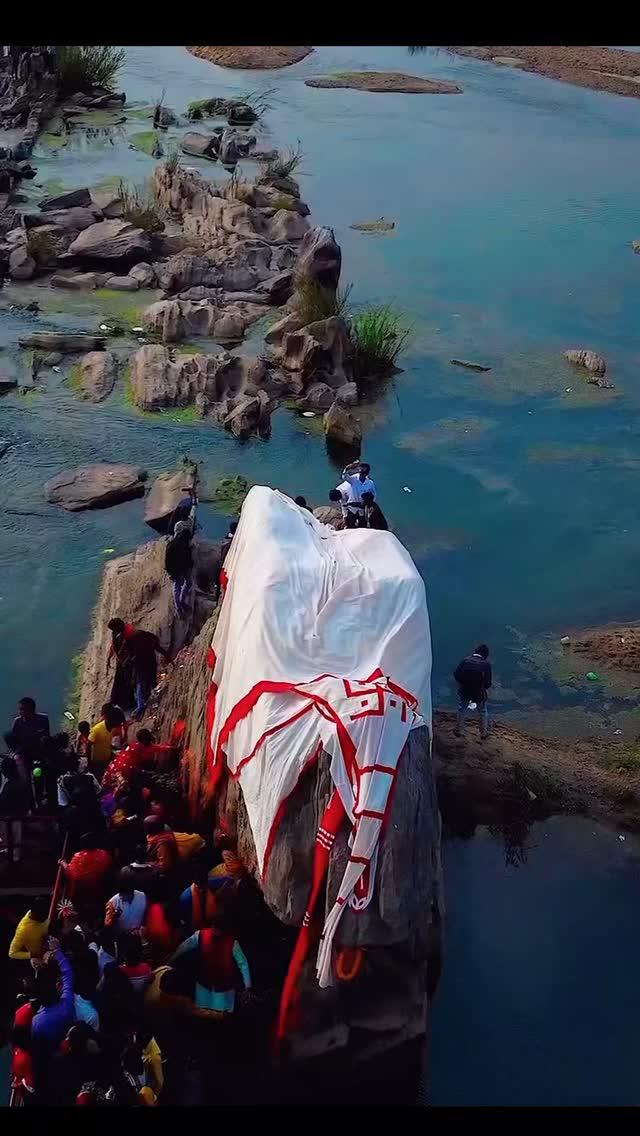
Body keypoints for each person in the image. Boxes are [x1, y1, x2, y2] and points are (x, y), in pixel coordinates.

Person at [170, 920, 251, 1013]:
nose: (215, 931)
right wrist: (170, 961)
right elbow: (183, 948)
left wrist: (247, 986)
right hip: (205, 985)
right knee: (203, 1015)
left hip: (224, 989)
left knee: (218, 1017)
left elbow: (243, 964)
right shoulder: (201, 935)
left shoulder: (232, 942)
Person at [31, 944, 75, 1057]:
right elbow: (68, 974)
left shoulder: (37, 1021)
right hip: (69, 1046)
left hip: (49, 1054)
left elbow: (37, 1045)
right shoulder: (67, 1003)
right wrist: (58, 951)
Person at [101, 729, 172, 795]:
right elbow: (157, 748)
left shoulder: (134, 745)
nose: (151, 740)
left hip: (114, 770)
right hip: (123, 773)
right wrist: (170, 748)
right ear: (145, 740)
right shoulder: (141, 748)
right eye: (149, 738)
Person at [58, 832, 112, 911]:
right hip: (99, 892)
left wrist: (63, 863)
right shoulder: (104, 854)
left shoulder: (78, 857)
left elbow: (69, 873)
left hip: (79, 895)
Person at [127, 629, 171, 718]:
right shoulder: (149, 640)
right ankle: (150, 700)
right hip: (151, 665)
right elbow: (160, 649)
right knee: (150, 683)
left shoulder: (133, 643)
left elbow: (131, 658)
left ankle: (141, 707)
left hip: (141, 667)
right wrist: (168, 657)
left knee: (140, 685)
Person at [453, 644, 492, 740]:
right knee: (482, 711)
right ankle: (483, 733)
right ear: (485, 654)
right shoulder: (486, 664)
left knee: (462, 708)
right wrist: (484, 687)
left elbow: (456, 674)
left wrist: (463, 683)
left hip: (465, 689)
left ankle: (458, 730)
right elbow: (488, 682)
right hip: (479, 691)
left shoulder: (465, 660)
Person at [0, 755, 31, 862]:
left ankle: (12, 853)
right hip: (15, 813)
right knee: (15, 834)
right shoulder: (20, 781)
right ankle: (14, 854)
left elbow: (4, 800)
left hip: (10, 814)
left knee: (12, 834)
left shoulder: (11, 784)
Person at [10, 697, 50, 771]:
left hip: (40, 750)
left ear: (31, 710)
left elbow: (47, 735)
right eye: (19, 709)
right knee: (17, 759)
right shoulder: (17, 722)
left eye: (22, 709)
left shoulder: (43, 719)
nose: (19, 712)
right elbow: (13, 739)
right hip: (23, 751)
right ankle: (24, 781)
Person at [87, 703, 125, 779]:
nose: (119, 725)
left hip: (107, 755)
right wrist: (89, 763)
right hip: (97, 760)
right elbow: (88, 746)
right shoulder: (96, 730)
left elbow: (106, 740)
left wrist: (112, 748)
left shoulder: (112, 729)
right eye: (118, 723)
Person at [105, 868, 148, 934]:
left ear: (132, 891)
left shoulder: (142, 897)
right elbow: (107, 927)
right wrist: (113, 918)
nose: (120, 897)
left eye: (124, 894)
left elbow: (146, 917)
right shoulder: (112, 903)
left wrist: (143, 928)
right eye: (120, 893)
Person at [165, 520, 194, 616]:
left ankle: (182, 600)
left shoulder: (185, 544)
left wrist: (190, 565)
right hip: (176, 569)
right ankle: (178, 607)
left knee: (188, 582)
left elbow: (188, 556)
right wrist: (170, 572)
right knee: (177, 586)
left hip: (184, 567)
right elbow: (168, 561)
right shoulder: (172, 546)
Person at [8, 896, 49, 961]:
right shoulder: (23, 931)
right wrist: (33, 955)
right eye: (44, 916)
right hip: (43, 957)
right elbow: (12, 953)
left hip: (52, 940)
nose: (46, 918)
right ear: (35, 914)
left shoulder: (37, 910)